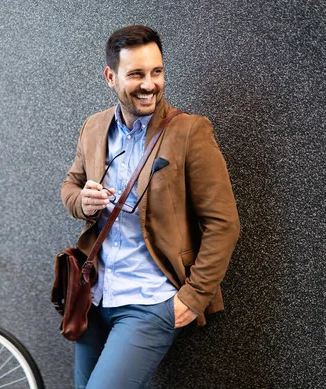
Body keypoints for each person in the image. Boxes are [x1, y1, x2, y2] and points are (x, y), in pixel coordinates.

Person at [61, 25, 240, 388]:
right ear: (110, 77)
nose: (149, 84)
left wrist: (193, 298)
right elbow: (70, 187)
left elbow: (224, 223)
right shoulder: (94, 128)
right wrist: (84, 201)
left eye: (156, 72)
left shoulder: (189, 132)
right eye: (137, 74)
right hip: (93, 299)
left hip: (149, 302)